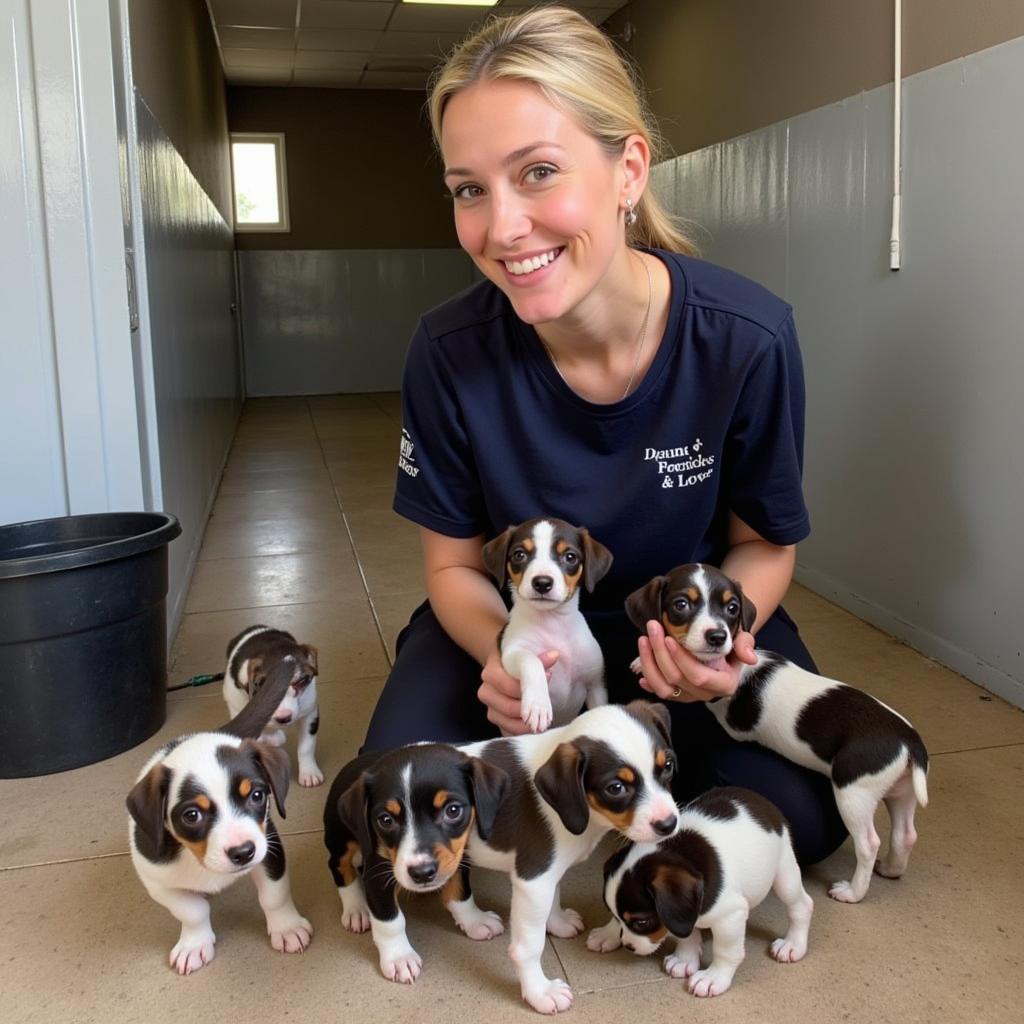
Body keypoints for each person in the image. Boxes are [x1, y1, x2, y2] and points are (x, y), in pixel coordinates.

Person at [364, 6, 846, 864]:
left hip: (682, 623)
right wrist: (510, 661)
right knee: (391, 795)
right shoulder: (448, 352)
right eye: (469, 189)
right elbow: (451, 565)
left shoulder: (747, 339)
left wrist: (716, 652)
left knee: (801, 822)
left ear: (629, 168)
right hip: (515, 625)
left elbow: (763, 548)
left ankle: (641, 769)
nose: (501, 227)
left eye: (538, 172)